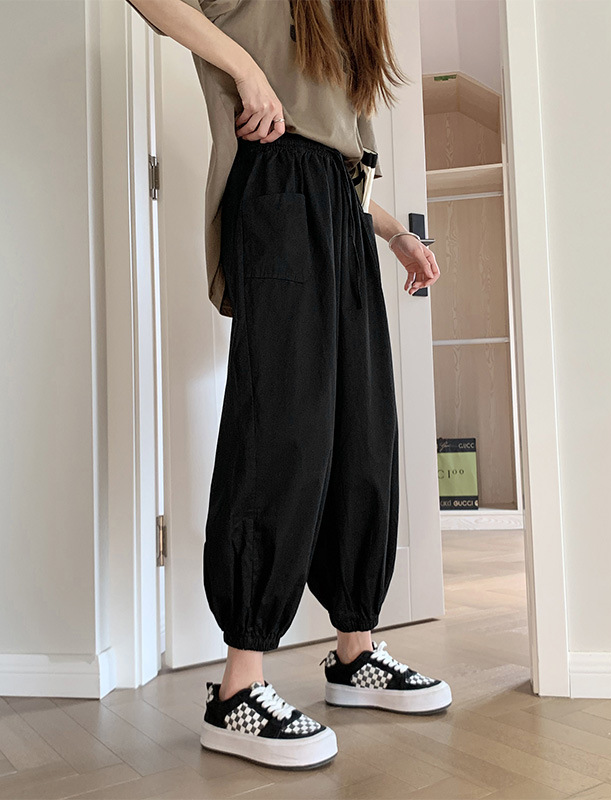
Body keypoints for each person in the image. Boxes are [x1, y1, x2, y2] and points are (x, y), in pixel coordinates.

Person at [126, 0, 451, 770]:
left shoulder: (349, 15)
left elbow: (340, 149)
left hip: (341, 205)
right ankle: (238, 688)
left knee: (361, 430)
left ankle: (355, 651)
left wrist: (395, 234)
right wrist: (244, 69)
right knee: (283, 426)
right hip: (275, 187)